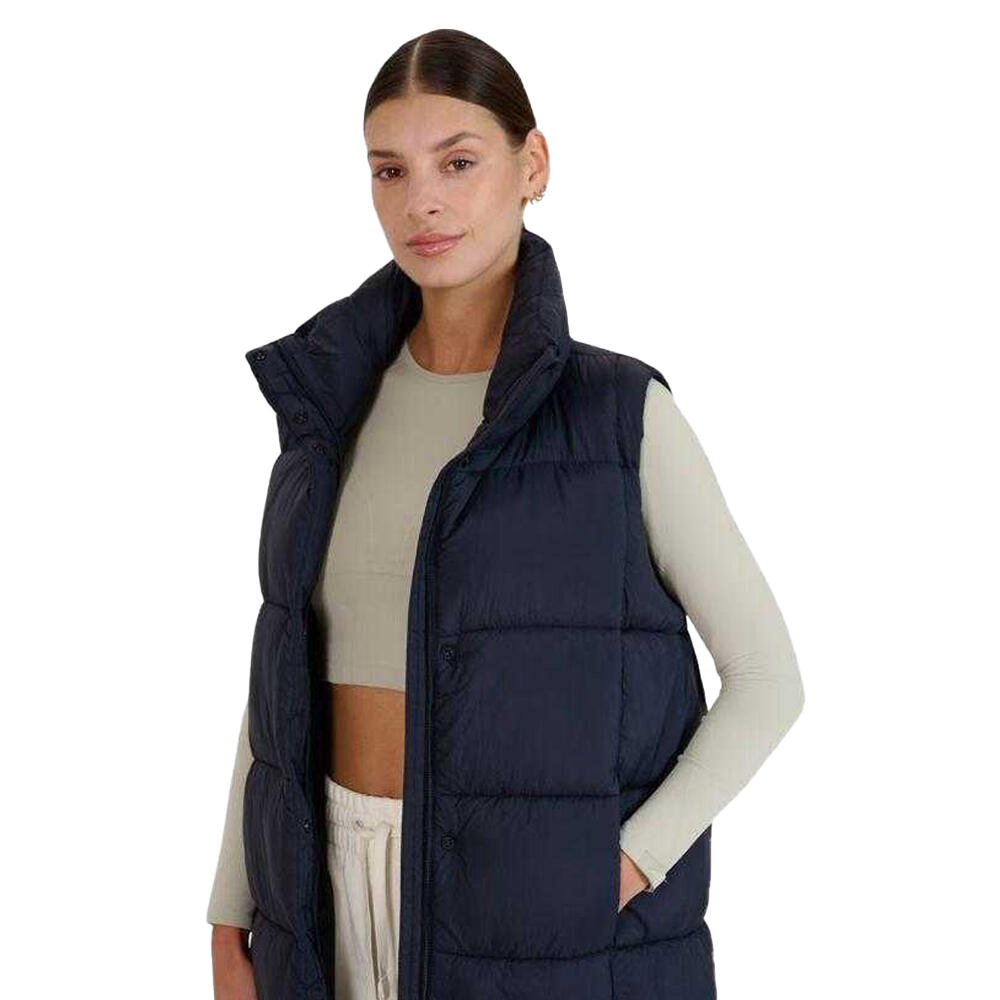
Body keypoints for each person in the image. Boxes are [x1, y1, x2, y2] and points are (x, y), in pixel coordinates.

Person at [208, 28, 804, 1000]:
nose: (421, 201)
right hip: (321, 890)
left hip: (525, 909)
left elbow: (768, 679)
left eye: (458, 162)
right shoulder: (329, 409)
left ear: (532, 166)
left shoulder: (619, 417)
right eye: (390, 170)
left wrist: (626, 863)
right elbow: (279, 672)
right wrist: (232, 903)